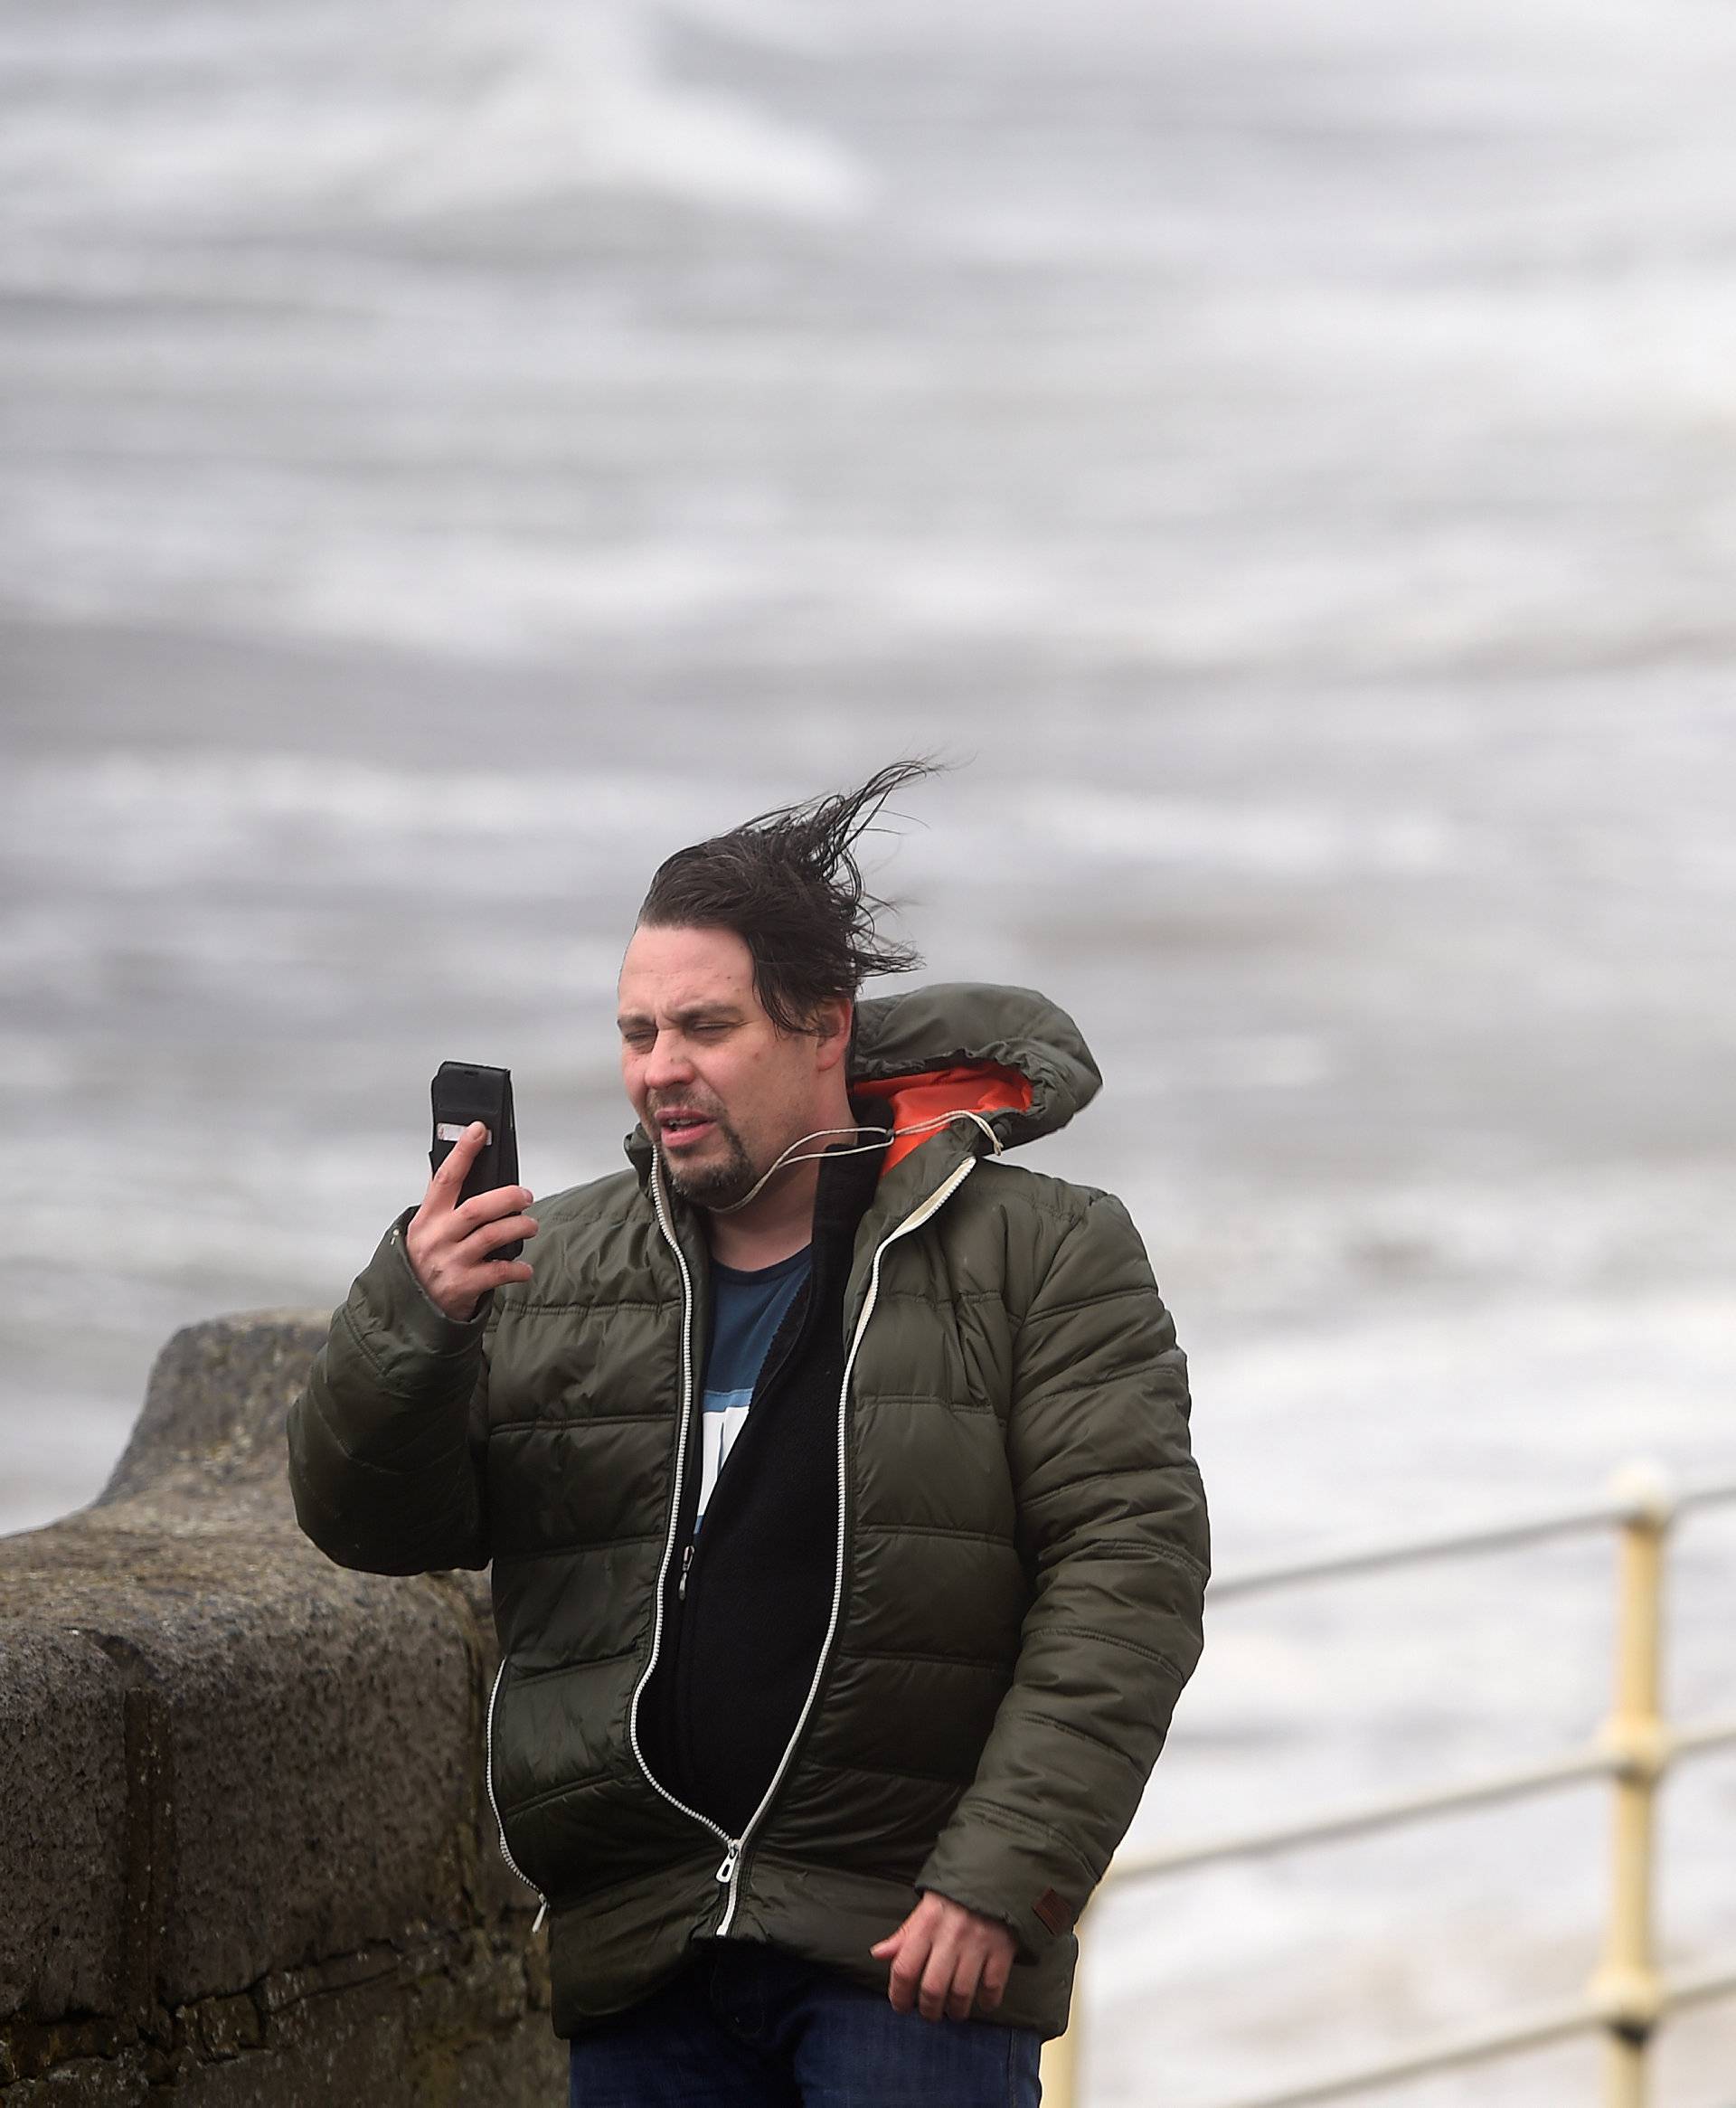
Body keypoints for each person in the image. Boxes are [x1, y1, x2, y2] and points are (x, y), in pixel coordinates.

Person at [287, 761, 1209, 2107]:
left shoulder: (1041, 1251)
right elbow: (369, 1522)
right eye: (638, 1032)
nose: (663, 1071)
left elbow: (1128, 1578)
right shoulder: (560, 1266)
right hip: (643, 1954)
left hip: (904, 1954)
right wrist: (411, 1322)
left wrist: (1003, 1882)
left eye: (705, 1028)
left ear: (823, 1025)